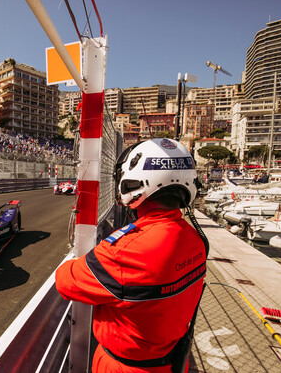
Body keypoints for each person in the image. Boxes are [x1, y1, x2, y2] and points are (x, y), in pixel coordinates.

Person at [55, 138, 208, 373]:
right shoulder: (196, 239)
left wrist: (100, 252)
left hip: (123, 367)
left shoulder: (126, 251)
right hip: (174, 362)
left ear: (134, 181)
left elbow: (65, 281)